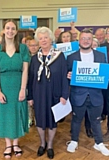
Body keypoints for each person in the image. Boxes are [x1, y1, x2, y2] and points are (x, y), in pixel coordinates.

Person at [66, 29, 109, 156]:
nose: (86, 41)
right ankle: (74, 141)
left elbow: (104, 73)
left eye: (88, 39)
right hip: (78, 95)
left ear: (92, 40)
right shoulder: (71, 57)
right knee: (76, 120)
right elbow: (66, 75)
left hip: (96, 95)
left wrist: (108, 76)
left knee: (96, 120)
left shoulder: (100, 56)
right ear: (79, 40)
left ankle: (99, 143)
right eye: (83, 38)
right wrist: (68, 75)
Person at [27, 27, 69, 159]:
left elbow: (64, 77)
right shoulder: (35, 59)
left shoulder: (59, 56)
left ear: (51, 39)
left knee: (52, 120)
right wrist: (30, 97)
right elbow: (31, 79)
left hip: (54, 94)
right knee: (40, 119)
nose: (43, 40)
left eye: (46, 37)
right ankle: (42, 143)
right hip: (38, 94)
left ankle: (50, 145)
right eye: (40, 38)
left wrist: (64, 95)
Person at [0, 19, 29, 159]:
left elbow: (25, 70)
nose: (10, 31)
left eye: (13, 28)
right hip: (3, 87)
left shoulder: (23, 48)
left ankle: (16, 143)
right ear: (3, 30)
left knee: (17, 113)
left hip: (18, 85)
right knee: (5, 115)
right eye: (7, 28)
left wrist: (23, 88)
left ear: (16, 31)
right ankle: (8, 144)